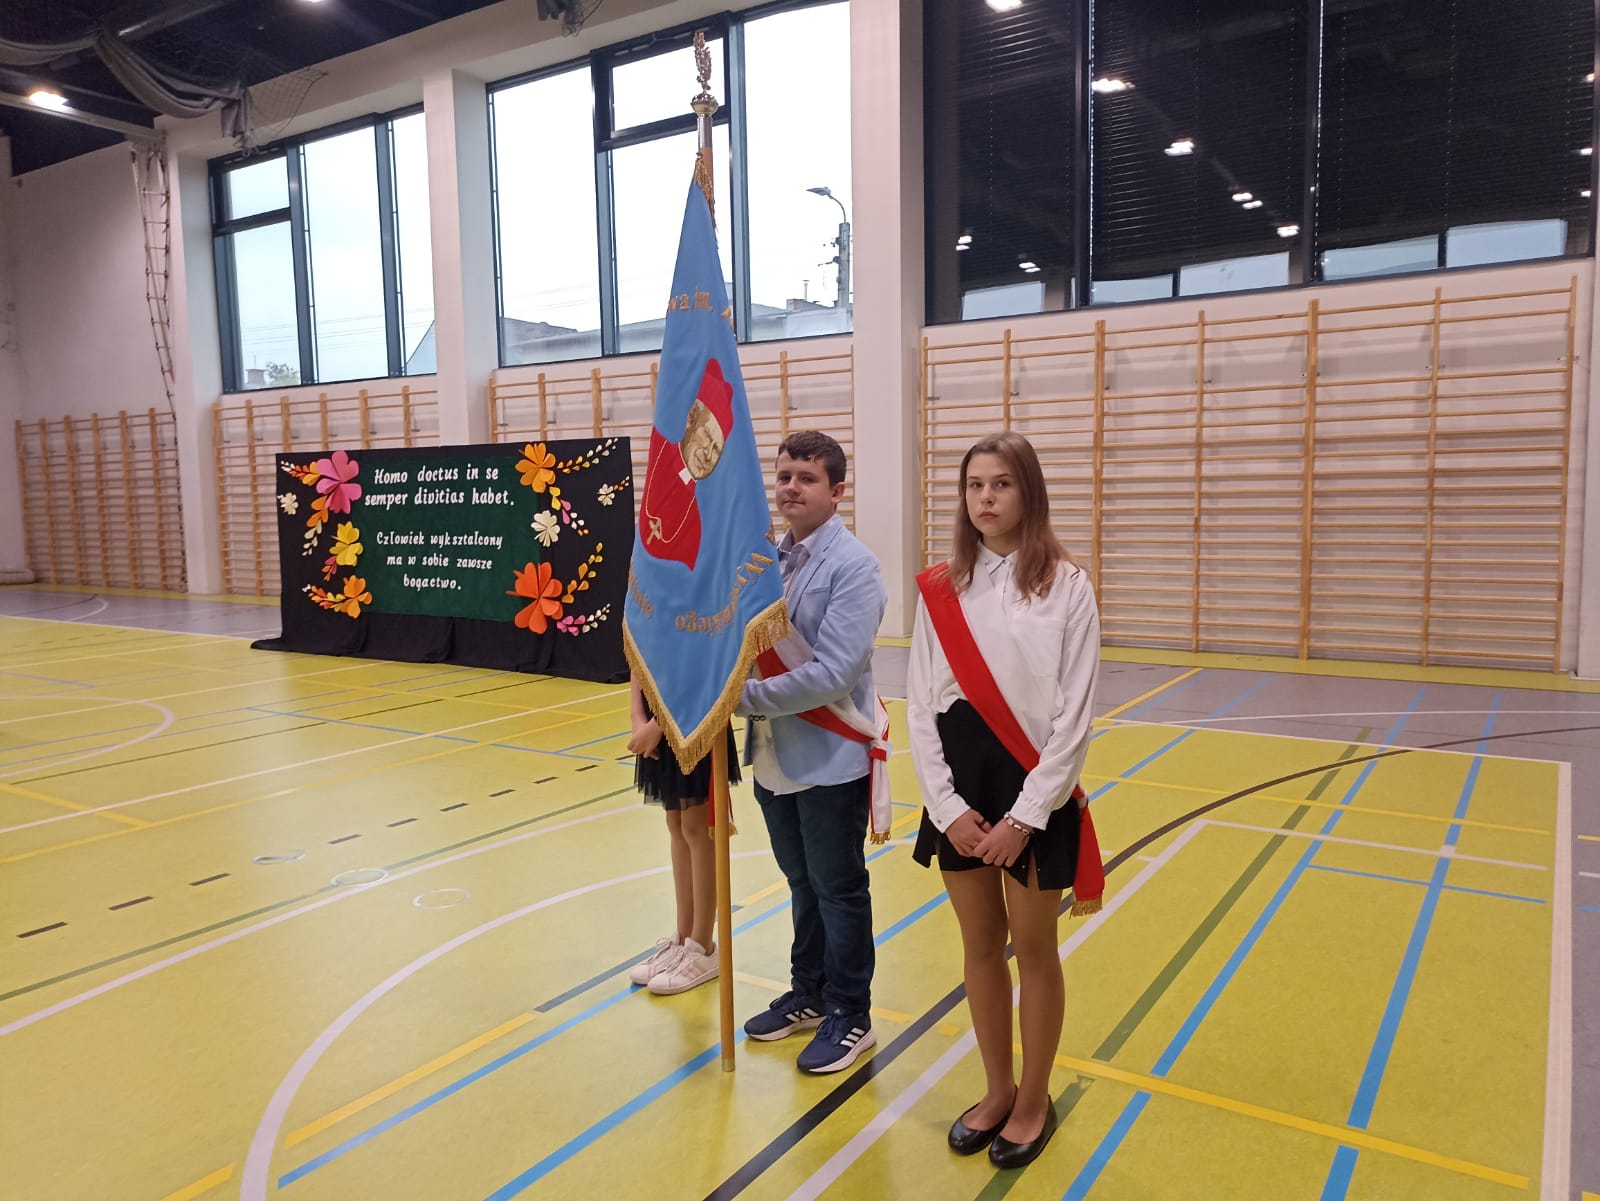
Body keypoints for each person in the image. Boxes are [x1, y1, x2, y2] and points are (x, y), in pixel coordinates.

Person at [906, 430, 1102, 1169]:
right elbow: (920, 706)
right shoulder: (941, 587)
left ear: (1029, 492)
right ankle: (996, 1088)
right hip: (961, 791)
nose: (985, 498)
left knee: (1035, 949)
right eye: (974, 485)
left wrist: (1026, 816)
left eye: (1001, 484)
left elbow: (1074, 716)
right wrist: (947, 807)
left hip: (1033, 794)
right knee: (980, 946)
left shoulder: (1068, 585)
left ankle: (1033, 1098)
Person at [736, 430, 889, 1074]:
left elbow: (832, 674)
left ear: (837, 490)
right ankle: (810, 992)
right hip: (774, 753)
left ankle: (851, 1012)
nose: (791, 488)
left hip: (829, 754)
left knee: (838, 889)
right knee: (802, 884)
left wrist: (739, 698)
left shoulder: (855, 567)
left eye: (807, 478)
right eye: (784, 476)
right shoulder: (765, 561)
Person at [625, 676, 740, 995]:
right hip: (657, 719)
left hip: (693, 717)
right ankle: (683, 939)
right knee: (676, 824)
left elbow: (704, 672)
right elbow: (636, 660)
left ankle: (702, 946)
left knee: (696, 828)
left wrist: (659, 724)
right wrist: (638, 717)